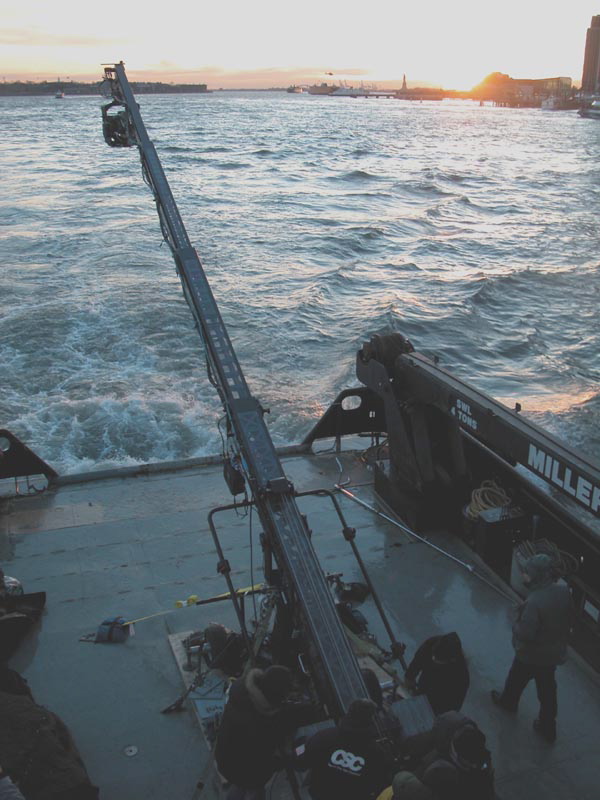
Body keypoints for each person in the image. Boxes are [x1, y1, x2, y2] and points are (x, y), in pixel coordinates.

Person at [491, 552, 572, 742]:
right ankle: (547, 726)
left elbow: (526, 634)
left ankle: (508, 702)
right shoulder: (564, 592)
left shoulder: (535, 601)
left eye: (527, 573)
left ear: (537, 575)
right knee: (548, 691)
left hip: (531, 655)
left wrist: (516, 620)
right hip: (552, 654)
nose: (524, 575)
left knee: (515, 679)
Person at [214, 665, 295, 800]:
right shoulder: (262, 724)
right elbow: (266, 759)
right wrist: (282, 760)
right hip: (246, 771)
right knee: (254, 791)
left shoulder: (240, 690)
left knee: (239, 785)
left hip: (224, 757)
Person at [296, 698, 389, 800]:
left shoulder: (322, 737)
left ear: (348, 713)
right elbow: (382, 785)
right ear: (372, 720)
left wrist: (300, 745)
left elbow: (300, 764)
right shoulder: (377, 753)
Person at [412, 711, 495, 800]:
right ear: (457, 754)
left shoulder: (479, 752)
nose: (472, 766)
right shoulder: (441, 735)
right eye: (469, 764)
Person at [404, 632, 469, 714]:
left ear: (452, 660)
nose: (434, 660)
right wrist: (410, 691)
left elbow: (452, 710)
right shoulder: (429, 645)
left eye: (439, 661)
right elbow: (411, 672)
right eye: (433, 657)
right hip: (423, 688)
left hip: (440, 704)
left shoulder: (462, 676)